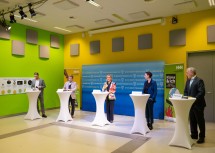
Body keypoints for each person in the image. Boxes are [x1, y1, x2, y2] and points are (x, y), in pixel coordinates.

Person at [184, 67, 206, 144]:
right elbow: (186, 91)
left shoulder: (199, 80)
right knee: (192, 120)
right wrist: (186, 98)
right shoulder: (188, 81)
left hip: (198, 105)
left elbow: (201, 92)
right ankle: (194, 135)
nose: (186, 73)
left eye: (187, 72)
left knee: (200, 121)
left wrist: (193, 99)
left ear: (192, 72)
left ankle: (202, 137)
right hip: (190, 104)